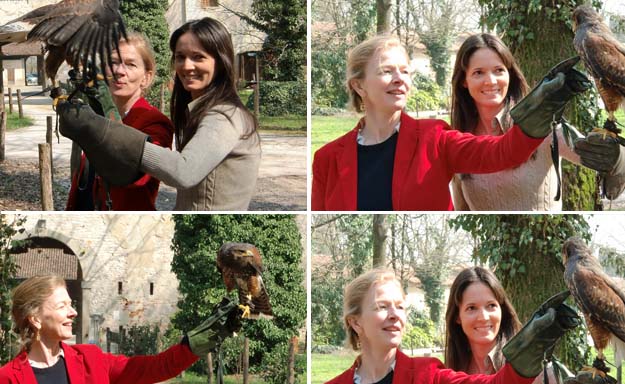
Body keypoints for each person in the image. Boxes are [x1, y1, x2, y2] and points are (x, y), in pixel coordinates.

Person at [311, 35, 590, 211]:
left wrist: (539, 113)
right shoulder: (326, 160)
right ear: (359, 86)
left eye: (405, 71)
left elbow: (503, 151)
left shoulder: (436, 138)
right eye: (386, 71)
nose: (400, 79)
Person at [311, 268, 579, 384]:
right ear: (356, 322)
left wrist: (529, 351)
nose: (395, 315)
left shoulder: (430, 377)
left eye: (400, 307)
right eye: (382, 307)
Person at [57, 17, 261, 211]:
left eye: (198, 57)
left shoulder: (224, 116)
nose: (187, 65)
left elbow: (181, 172)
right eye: (181, 57)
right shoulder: (200, 112)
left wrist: (97, 128)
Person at [0, 275, 241, 384]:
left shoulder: (91, 360)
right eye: (62, 306)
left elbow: (159, 367)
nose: (73, 312)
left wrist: (207, 335)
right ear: (35, 318)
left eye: (71, 304)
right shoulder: (7, 380)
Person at [450, 33, 625, 211]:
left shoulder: (543, 126)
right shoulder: (454, 144)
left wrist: (617, 158)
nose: (491, 81)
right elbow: (461, 209)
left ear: (510, 75)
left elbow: (605, 159)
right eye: (478, 72)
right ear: (464, 80)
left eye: (498, 70)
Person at [444, 266, 623, 384]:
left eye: (491, 305)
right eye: (471, 308)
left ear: (502, 311)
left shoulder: (532, 364)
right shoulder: (448, 378)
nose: (483, 317)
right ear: (457, 317)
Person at [66, 32, 174, 211]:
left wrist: (103, 110)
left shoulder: (155, 123)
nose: (119, 71)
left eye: (130, 64)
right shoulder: (100, 115)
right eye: (113, 62)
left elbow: (134, 175)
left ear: (146, 78)